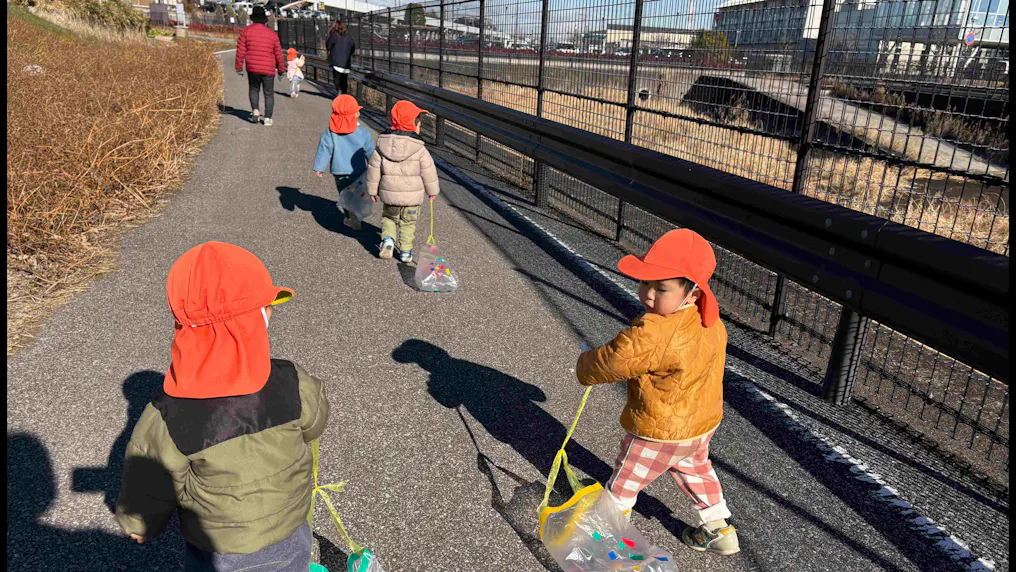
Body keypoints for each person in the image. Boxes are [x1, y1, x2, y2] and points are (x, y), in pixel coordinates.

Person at [114, 241, 330, 571]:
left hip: (220, 546)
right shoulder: (292, 380)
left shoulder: (169, 414)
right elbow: (315, 422)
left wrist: (140, 523)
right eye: (267, 307)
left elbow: (151, 479)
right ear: (258, 318)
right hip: (291, 524)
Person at [574, 229, 739, 556]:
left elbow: (616, 360)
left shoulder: (656, 330)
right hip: (702, 422)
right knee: (695, 469)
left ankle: (607, 545)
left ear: (692, 293)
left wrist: (585, 368)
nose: (648, 295)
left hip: (660, 429)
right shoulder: (712, 322)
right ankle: (719, 529)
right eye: (645, 283)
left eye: (661, 288)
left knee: (623, 483)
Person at [365, 101, 439, 263]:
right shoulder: (419, 148)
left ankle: (388, 240)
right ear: (412, 124)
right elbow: (429, 170)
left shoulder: (382, 145)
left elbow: (373, 169)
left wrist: (372, 190)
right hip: (412, 199)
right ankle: (405, 251)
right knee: (408, 224)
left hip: (390, 195)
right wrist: (432, 191)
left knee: (389, 218)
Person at [314, 94, 376, 230]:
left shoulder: (331, 132)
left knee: (345, 194)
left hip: (339, 171)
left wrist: (320, 167)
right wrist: (376, 168)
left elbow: (325, 149)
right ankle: (356, 215)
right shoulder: (364, 133)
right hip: (358, 171)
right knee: (358, 193)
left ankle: (350, 216)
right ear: (354, 115)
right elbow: (371, 153)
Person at [235, 6, 285, 126]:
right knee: (268, 93)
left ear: (253, 18)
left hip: (252, 67)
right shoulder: (272, 35)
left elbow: (240, 50)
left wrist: (239, 66)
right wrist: (281, 69)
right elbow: (278, 53)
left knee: (254, 89)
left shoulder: (246, 31)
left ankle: (255, 110)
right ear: (264, 19)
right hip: (268, 68)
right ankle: (267, 118)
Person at [325, 21, 355, 95]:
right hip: (346, 64)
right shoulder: (349, 37)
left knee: (337, 81)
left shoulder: (334, 36)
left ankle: (340, 93)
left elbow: (328, 47)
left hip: (336, 63)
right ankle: (343, 96)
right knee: (344, 82)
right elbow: (353, 49)